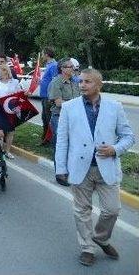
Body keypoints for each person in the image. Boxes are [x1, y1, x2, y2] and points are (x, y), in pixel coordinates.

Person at [55, 68, 135, 267]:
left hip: (106, 166)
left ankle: (100, 237)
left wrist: (115, 149)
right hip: (79, 168)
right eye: (80, 81)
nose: (82, 85)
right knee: (82, 211)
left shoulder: (114, 106)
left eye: (87, 82)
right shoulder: (69, 107)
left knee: (112, 210)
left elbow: (129, 136)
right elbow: (62, 140)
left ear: (99, 85)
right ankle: (87, 248)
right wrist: (61, 168)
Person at [48, 58, 80, 164]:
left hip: (73, 118)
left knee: (72, 144)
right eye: (70, 67)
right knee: (60, 145)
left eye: (73, 67)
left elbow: (79, 98)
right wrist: (76, 103)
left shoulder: (74, 82)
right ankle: (60, 173)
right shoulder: (56, 82)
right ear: (62, 68)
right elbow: (59, 103)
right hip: (59, 118)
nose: (73, 69)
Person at [0, 65, 22, 158]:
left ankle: (7, 151)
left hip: (10, 109)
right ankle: (0, 150)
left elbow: (19, 94)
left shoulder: (14, 82)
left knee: (10, 131)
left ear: (6, 71)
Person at [39, 47, 58, 143]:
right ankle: (46, 138)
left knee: (49, 118)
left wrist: (52, 96)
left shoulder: (54, 65)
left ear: (47, 54)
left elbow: (55, 81)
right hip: (44, 95)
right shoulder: (49, 65)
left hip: (48, 96)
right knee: (44, 117)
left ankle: (50, 139)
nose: (42, 56)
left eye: (42, 54)